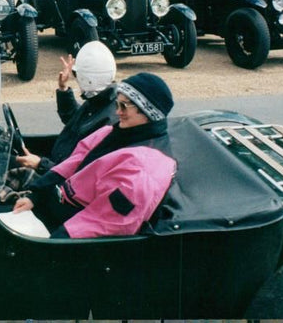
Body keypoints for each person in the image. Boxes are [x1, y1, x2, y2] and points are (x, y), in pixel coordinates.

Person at [12, 73, 177, 238]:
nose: (118, 112)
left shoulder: (142, 172)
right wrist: (36, 196)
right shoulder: (113, 132)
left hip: (69, 233)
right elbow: (73, 163)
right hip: (55, 207)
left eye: (124, 106)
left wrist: (54, 241)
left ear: (148, 113)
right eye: (117, 104)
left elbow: (107, 223)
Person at [15, 41, 118, 176]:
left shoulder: (108, 119)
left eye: (76, 74)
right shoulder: (99, 101)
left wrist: (40, 164)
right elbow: (74, 119)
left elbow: (80, 173)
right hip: (56, 163)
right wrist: (63, 89)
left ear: (86, 78)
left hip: (59, 178)